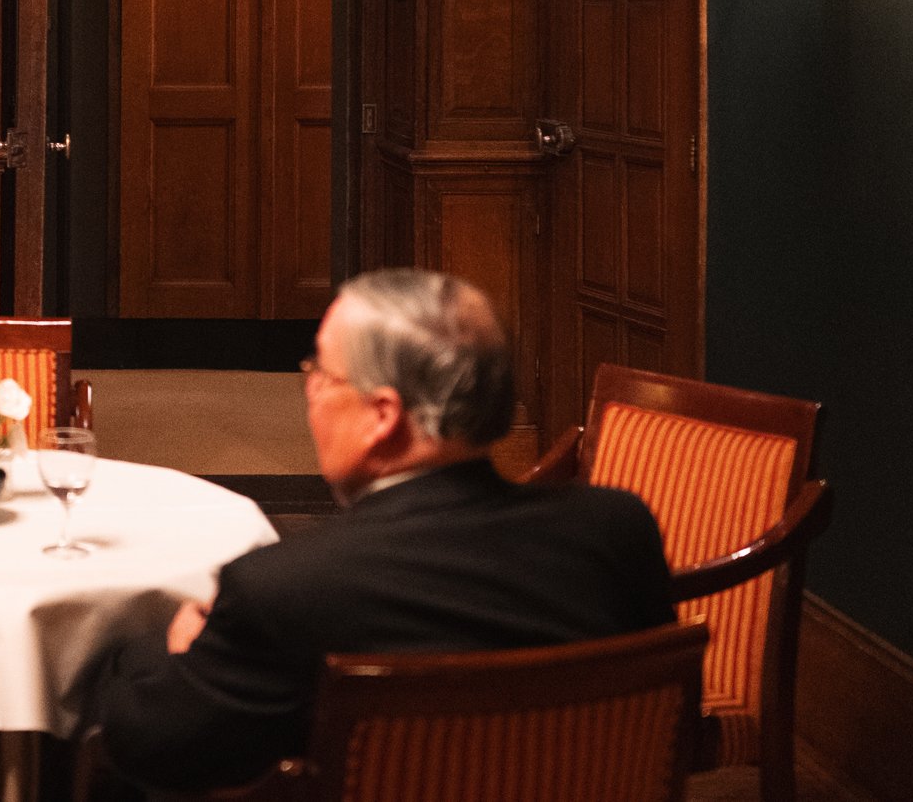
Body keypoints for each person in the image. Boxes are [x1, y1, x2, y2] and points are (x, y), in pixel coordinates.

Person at [83, 269, 675, 795]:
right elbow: (669, 725)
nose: (309, 390)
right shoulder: (618, 530)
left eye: (319, 374)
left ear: (383, 416)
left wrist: (175, 645)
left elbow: (148, 745)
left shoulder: (287, 588)